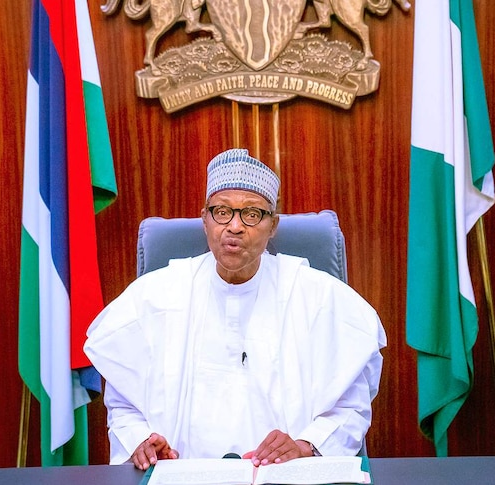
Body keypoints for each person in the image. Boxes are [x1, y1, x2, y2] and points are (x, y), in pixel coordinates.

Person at [84, 148, 386, 470]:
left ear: (273, 226)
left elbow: (352, 403)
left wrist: (307, 445)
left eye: (252, 214)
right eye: (222, 212)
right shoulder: (157, 294)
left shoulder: (317, 295)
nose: (235, 227)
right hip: (182, 476)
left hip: (285, 477)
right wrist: (140, 439)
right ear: (204, 221)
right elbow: (123, 398)